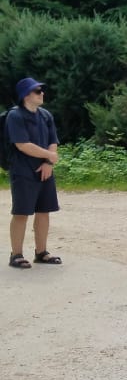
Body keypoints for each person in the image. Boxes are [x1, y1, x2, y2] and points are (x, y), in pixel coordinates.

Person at [5, 77, 62, 269]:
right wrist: (50, 156)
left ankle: (41, 252)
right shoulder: (15, 116)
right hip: (22, 171)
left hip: (45, 171)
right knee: (21, 212)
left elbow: (53, 140)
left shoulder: (45, 115)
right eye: (38, 91)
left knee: (44, 211)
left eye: (41, 90)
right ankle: (16, 254)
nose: (42, 93)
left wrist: (48, 162)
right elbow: (22, 144)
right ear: (26, 95)